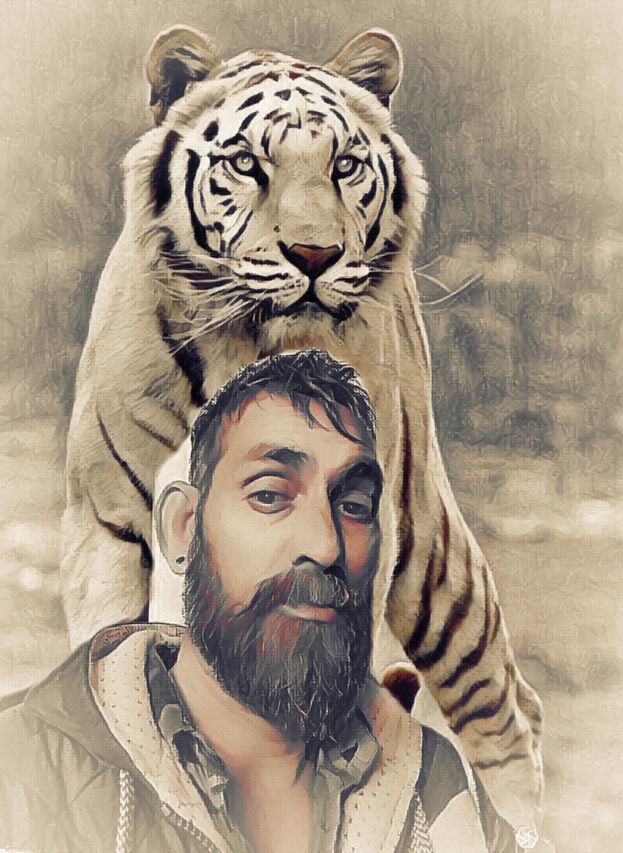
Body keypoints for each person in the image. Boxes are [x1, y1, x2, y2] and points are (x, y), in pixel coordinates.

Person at [0, 350, 518, 853]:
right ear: (183, 528)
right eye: (269, 495)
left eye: (354, 505)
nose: (325, 545)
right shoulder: (20, 774)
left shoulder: (445, 795)